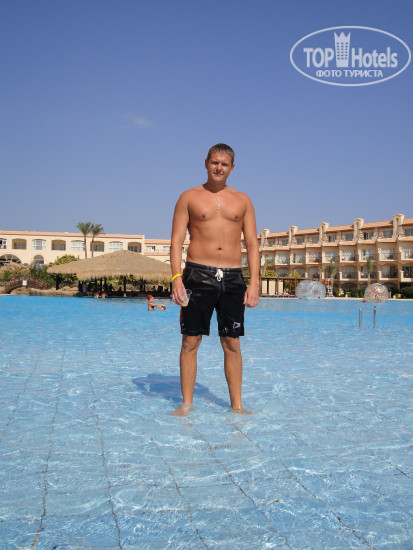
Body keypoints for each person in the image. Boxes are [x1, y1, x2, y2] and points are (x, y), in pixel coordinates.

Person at [170, 143, 259, 416]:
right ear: (206, 163)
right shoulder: (188, 197)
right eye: (215, 162)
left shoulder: (243, 200)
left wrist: (254, 282)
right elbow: (176, 242)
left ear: (232, 168)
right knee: (190, 341)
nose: (219, 168)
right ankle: (186, 404)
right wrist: (176, 278)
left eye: (224, 164)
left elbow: (252, 244)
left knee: (232, 342)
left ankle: (237, 406)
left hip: (233, 278)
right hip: (197, 274)